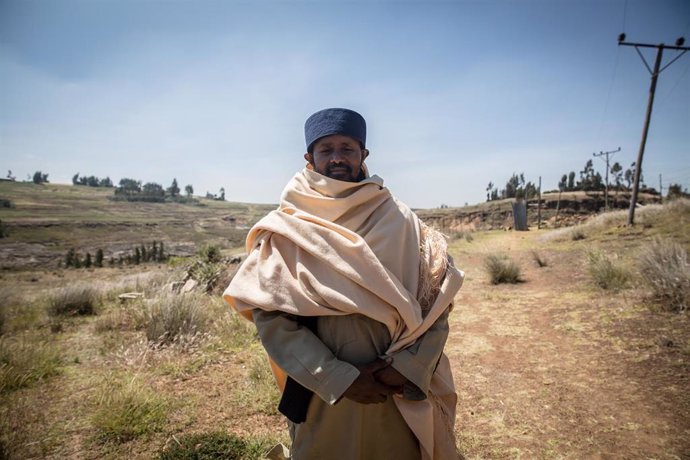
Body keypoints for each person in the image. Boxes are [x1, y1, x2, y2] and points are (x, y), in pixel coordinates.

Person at [223, 108, 464, 460]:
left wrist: (409, 368)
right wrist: (339, 378)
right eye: (326, 149)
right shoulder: (288, 225)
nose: (337, 157)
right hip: (324, 398)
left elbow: (436, 301)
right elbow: (271, 318)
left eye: (347, 148)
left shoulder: (400, 219)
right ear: (310, 158)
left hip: (396, 390)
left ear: (363, 154)